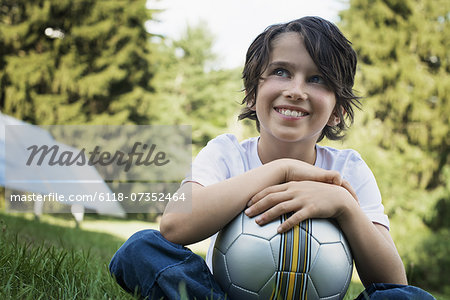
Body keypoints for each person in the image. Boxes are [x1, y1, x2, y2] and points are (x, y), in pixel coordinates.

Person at [109, 16, 435, 299]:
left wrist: (344, 206)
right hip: (222, 295)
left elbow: (395, 285)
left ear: (337, 111)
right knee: (141, 250)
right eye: (281, 71)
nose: (296, 89)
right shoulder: (226, 153)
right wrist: (282, 171)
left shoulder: (348, 169)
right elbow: (174, 227)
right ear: (252, 94)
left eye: (317, 78)